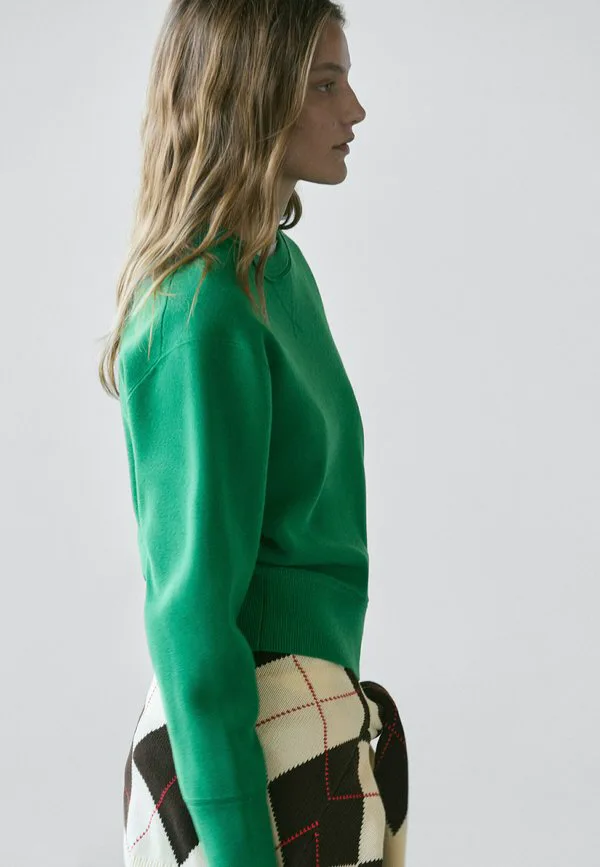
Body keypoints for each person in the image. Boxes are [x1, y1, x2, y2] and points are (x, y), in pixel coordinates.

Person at [98, 1, 409, 865]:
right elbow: (192, 617)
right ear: (252, 97)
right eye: (325, 85)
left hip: (309, 725)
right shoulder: (203, 311)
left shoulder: (276, 270)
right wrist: (237, 845)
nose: (354, 110)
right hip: (241, 763)